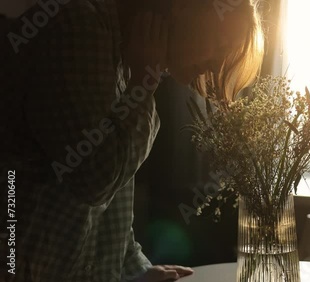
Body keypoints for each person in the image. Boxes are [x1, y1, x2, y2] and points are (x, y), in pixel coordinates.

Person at [0, 0, 264, 281]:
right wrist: (142, 87)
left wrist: (136, 270)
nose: (216, 67)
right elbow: (92, 179)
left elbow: (109, 206)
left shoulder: (128, 56)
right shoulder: (79, 27)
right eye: (221, 46)